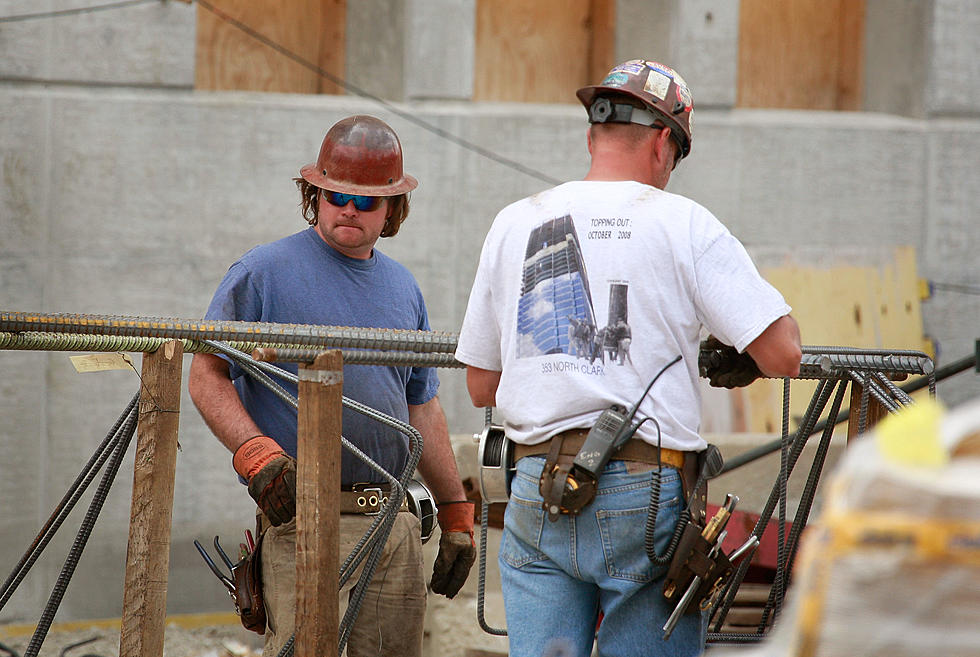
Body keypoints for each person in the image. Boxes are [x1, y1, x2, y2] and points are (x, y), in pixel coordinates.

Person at [455, 60, 801, 657]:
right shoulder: (685, 223)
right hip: (644, 489)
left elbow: (482, 385)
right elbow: (784, 353)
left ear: (592, 136)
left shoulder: (516, 221)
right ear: (666, 142)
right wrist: (738, 348)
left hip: (537, 485)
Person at [188, 115, 475, 657]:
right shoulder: (263, 272)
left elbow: (422, 406)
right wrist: (255, 453)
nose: (349, 208)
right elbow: (206, 375)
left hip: (393, 523)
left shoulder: (403, 289)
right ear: (314, 194)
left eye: (366, 201)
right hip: (303, 519)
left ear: (392, 210)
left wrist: (456, 509)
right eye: (336, 194)